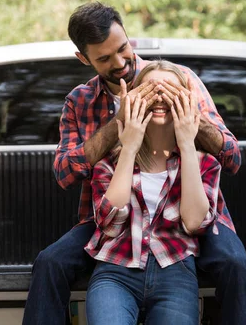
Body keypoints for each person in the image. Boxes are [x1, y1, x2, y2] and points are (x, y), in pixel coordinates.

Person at [22, 2, 246, 325]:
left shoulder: (179, 79)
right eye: (105, 59)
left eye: (123, 49)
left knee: (235, 263)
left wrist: (189, 116)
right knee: (50, 262)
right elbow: (65, 174)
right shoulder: (79, 101)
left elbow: (231, 157)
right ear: (84, 59)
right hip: (111, 217)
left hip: (188, 209)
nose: (120, 62)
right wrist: (117, 126)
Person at [85, 60, 219, 324]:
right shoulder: (109, 163)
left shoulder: (204, 163)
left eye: (170, 91)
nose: (160, 98)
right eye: (150, 90)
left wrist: (187, 143)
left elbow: (193, 222)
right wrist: (129, 148)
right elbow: (110, 224)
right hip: (115, 270)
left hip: (175, 272)